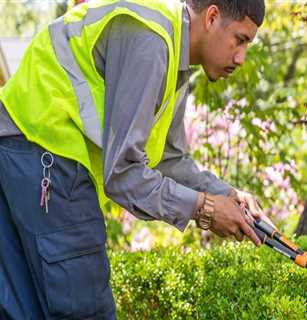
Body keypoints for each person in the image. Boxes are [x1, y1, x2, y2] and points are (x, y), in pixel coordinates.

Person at [0, 0, 272, 318]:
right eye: (240, 40)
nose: (241, 58)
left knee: (23, 310)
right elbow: (124, 175)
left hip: (20, 149)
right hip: (43, 152)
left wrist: (225, 195)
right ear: (212, 17)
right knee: (84, 310)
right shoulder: (151, 39)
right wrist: (206, 210)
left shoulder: (172, 52)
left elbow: (167, 158)